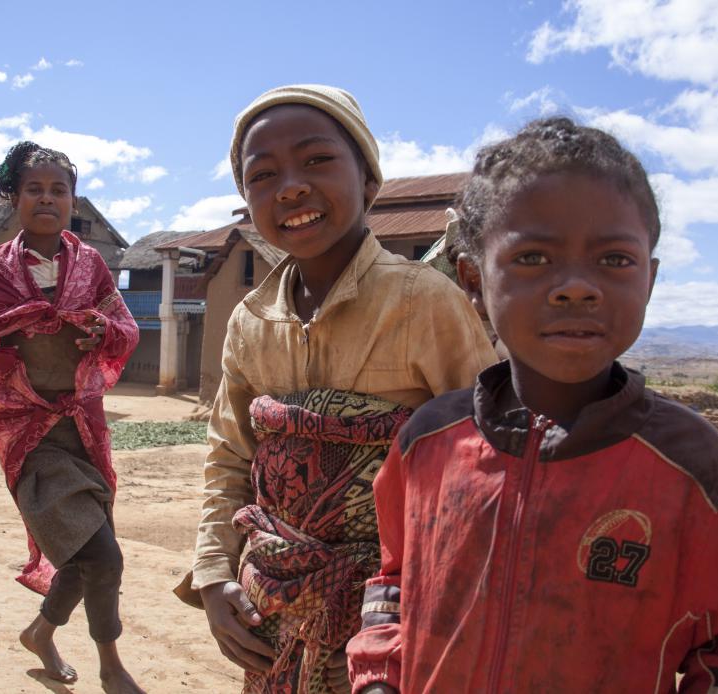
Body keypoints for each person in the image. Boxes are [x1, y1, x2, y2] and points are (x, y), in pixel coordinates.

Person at [346, 117, 718, 693]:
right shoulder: (427, 441)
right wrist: (379, 681)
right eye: (533, 258)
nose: (576, 287)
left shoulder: (694, 468)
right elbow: (396, 582)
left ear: (650, 280)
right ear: (472, 280)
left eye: (614, 260)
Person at [173, 85, 499, 693]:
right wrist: (216, 574)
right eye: (263, 175)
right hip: (273, 606)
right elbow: (230, 457)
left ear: (369, 181)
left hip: (392, 612)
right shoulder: (248, 321)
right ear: (246, 199)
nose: (290, 186)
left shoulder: (423, 303)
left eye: (317, 160)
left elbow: (484, 462)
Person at [0, 142, 142, 693]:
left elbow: (123, 327)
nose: (47, 198)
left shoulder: (90, 265)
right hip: (30, 434)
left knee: (87, 553)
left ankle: (40, 633)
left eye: (58, 189)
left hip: (84, 428)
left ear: (72, 200)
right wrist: (9, 335)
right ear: (13, 197)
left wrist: (101, 332)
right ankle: (111, 667)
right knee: (104, 557)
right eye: (34, 188)